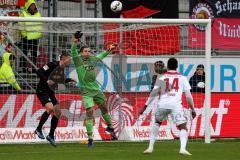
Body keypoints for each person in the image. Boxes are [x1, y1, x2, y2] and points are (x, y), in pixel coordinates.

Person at [71, 31, 117, 147]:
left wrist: (109, 49)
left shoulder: (92, 59)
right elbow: (73, 51)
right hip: (86, 92)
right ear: (81, 53)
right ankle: (90, 138)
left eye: (88, 51)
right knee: (90, 112)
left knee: (104, 108)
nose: (87, 53)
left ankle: (110, 128)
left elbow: (102, 55)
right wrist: (75, 41)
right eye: (85, 51)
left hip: (96, 90)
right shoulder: (78, 61)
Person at [142, 58, 196, 155]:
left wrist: (145, 106)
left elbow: (153, 93)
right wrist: (192, 109)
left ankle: (150, 147)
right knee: (183, 127)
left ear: (167, 66)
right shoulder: (182, 78)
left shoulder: (161, 77)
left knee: (157, 123)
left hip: (162, 104)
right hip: (175, 105)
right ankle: (182, 149)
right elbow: (188, 96)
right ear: (177, 66)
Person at [34, 52, 74, 147]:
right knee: (51, 108)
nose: (70, 62)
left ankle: (51, 135)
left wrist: (70, 80)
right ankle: (39, 129)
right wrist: (47, 80)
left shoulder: (61, 70)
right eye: (69, 60)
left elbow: (60, 81)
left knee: (58, 112)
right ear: (63, 59)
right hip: (42, 90)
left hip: (50, 92)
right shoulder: (52, 64)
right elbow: (39, 71)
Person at [19, 0, 42, 73]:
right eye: (31, 5)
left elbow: (40, 24)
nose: (33, 7)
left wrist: (38, 34)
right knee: (24, 54)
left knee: (34, 54)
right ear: (28, 6)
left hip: (35, 38)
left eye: (34, 5)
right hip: (26, 38)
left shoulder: (38, 14)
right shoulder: (23, 14)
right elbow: (21, 25)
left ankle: (34, 69)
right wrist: (24, 35)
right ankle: (23, 69)